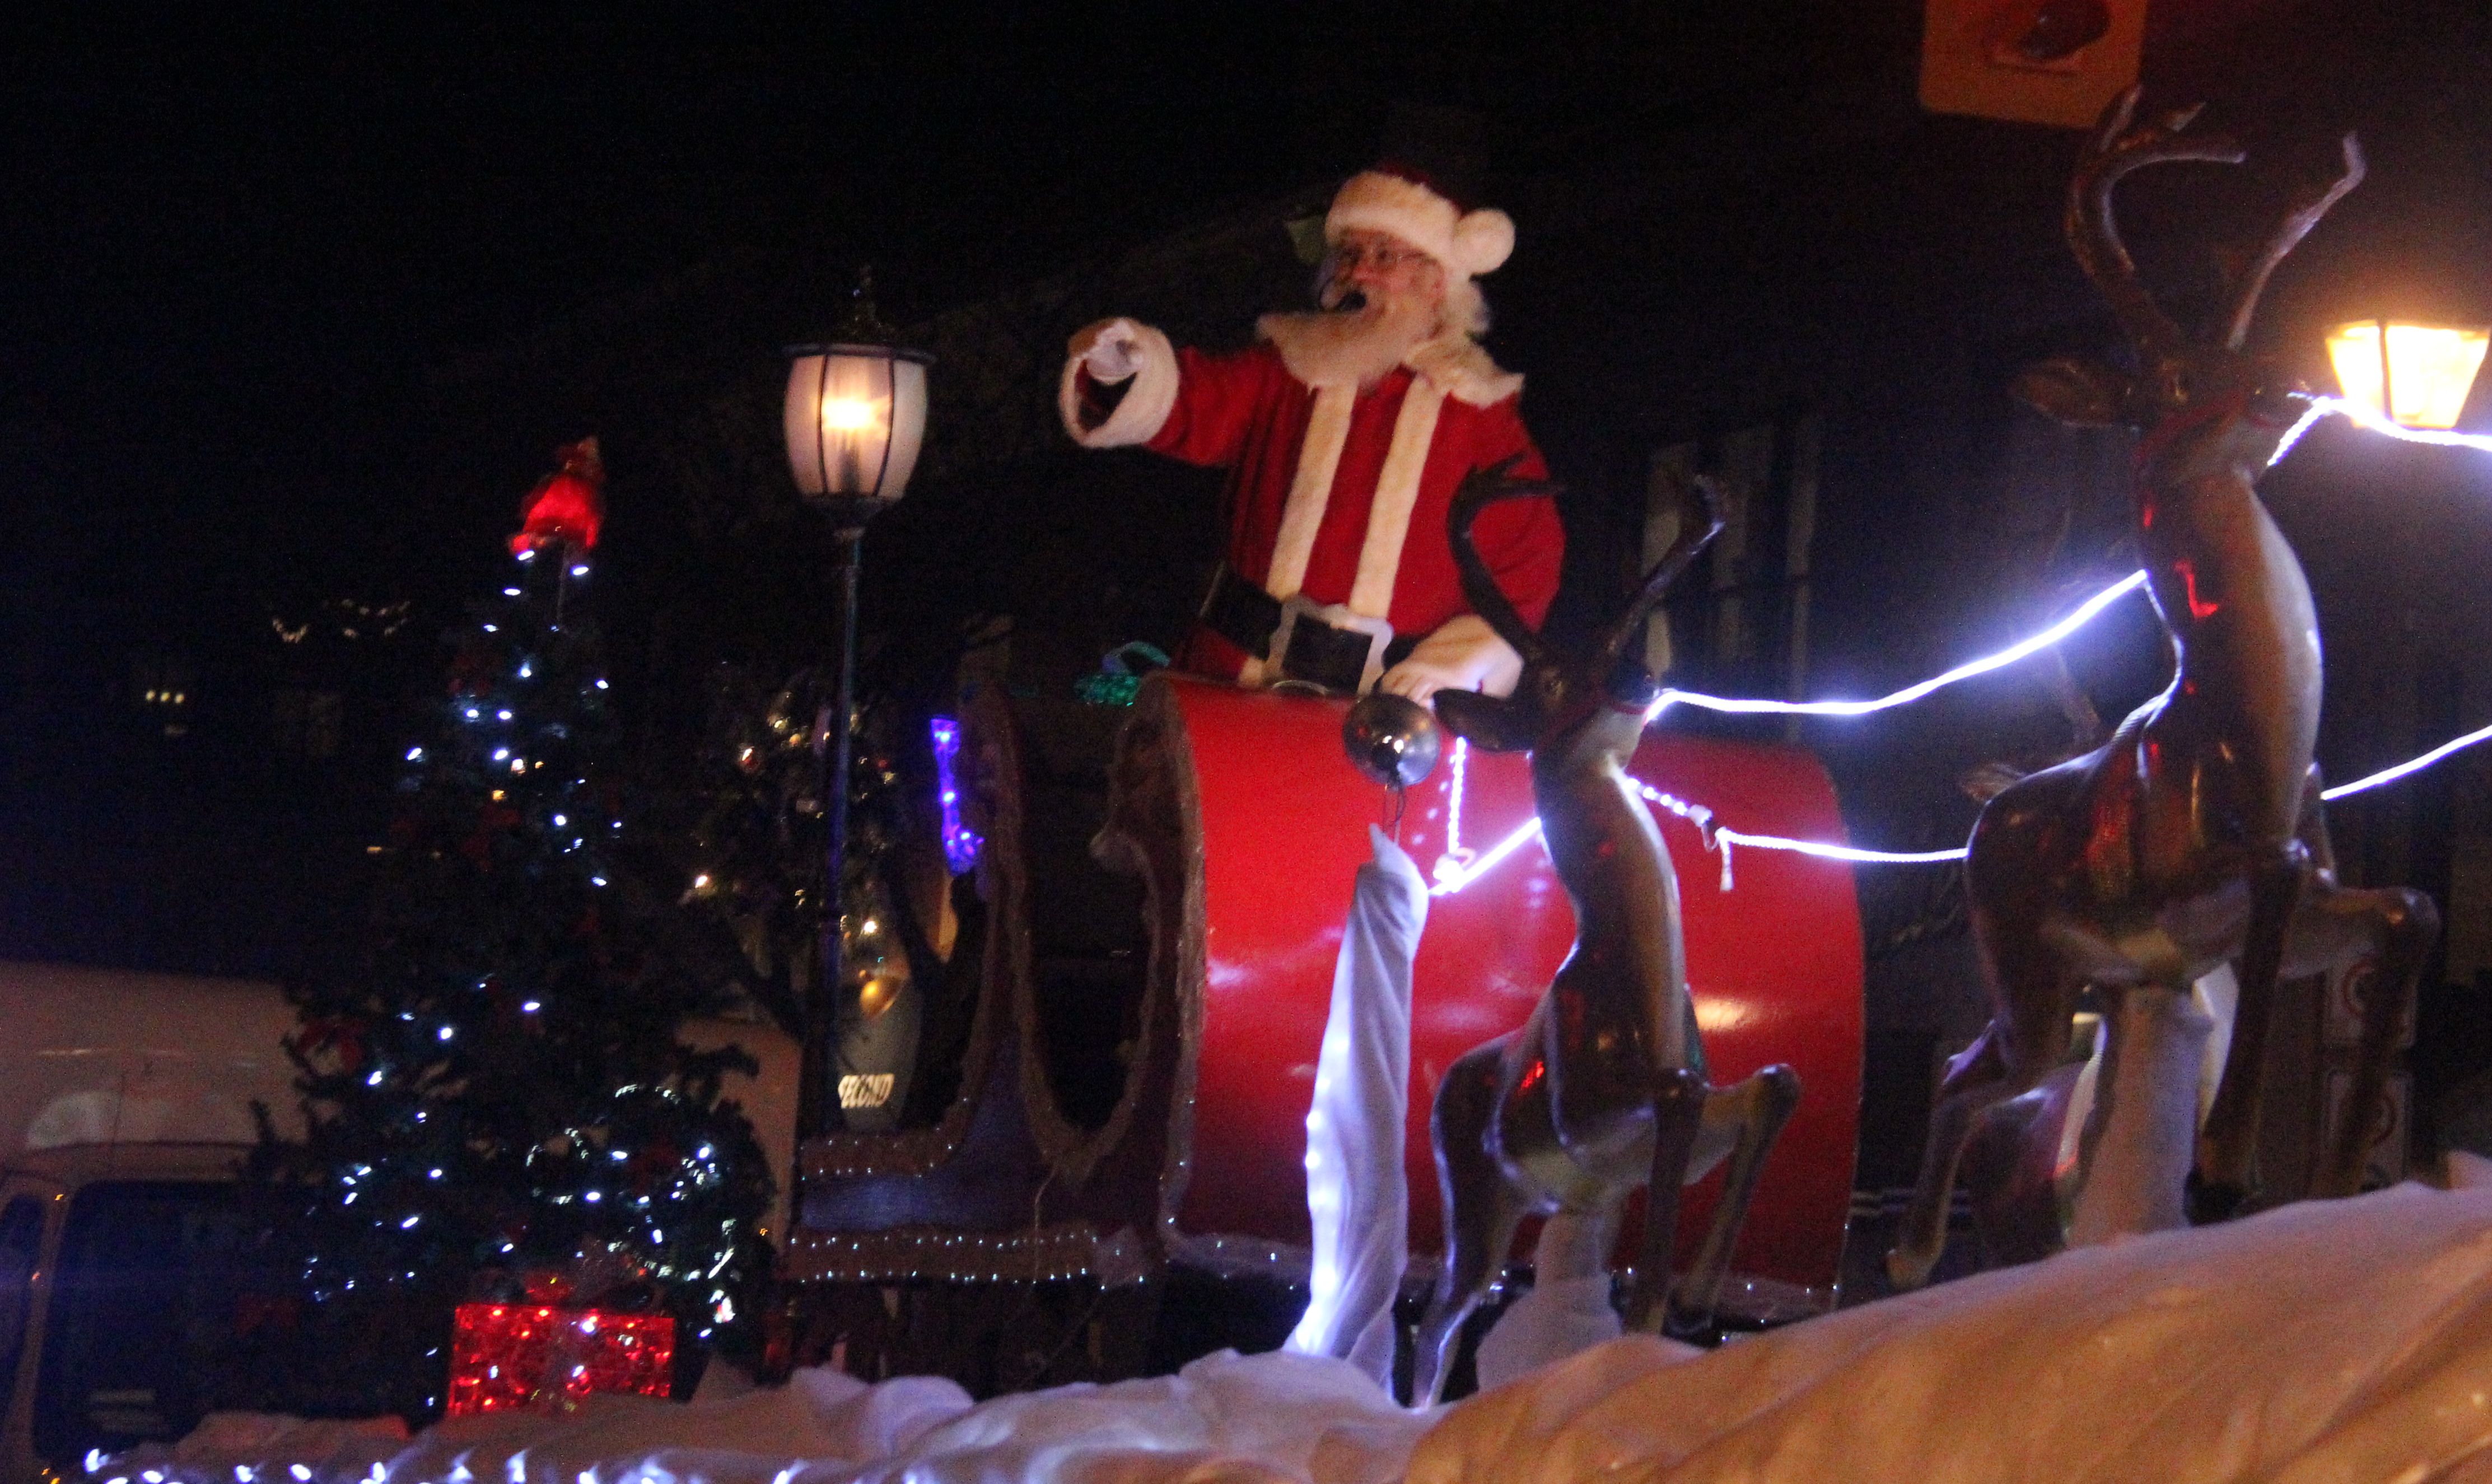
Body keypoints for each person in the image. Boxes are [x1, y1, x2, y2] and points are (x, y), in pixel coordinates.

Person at [1058, 166, 1563, 701]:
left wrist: (1454, 667)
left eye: (1384, 256)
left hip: (1372, 712)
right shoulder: (1289, 371)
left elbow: (1525, 570)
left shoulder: (1482, 422)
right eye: (1350, 255)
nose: (1359, 274)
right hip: (1227, 682)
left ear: (1438, 279)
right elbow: (1193, 401)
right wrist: (1123, 368)